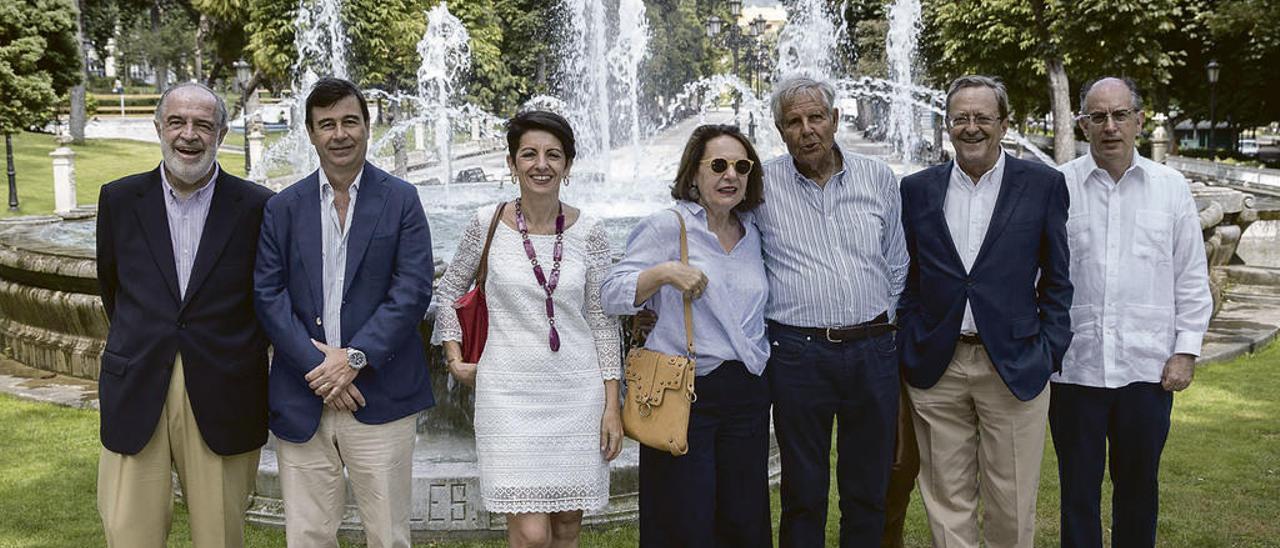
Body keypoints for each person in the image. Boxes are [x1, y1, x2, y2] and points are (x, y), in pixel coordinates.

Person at [253, 77, 434, 548]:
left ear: (367, 128)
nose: (340, 134)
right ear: (311, 134)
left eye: (350, 121)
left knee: (389, 534)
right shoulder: (282, 208)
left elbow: (412, 291)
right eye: (327, 124)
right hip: (303, 394)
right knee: (309, 535)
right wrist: (321, 368)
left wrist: (353, 359)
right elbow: (268, 295)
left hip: (382, 394)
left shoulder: (402, 199)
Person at [897, 75, 1073, 548]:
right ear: (947, 125)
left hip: (1014, 365)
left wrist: (1049, 350)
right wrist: (911, 337)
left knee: (1012, 502)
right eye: (961, 118)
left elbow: (1058, 279)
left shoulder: (1042, 185)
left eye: (982, 118)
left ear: (1004, 124)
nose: (971, 128)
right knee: (945, 500)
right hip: (938, 364)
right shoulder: (916, 190)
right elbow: (908, 276)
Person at [95, 82, 273, 547]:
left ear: (221, 132)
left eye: (201, 124)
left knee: (220, 534)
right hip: (136, 384)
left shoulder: (258, 206)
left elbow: (267, 297)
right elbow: (111, 288)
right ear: (159, 128)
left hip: (223, 387)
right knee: (127, 532)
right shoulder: (118, 200)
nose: (188, 135)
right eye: (177, 122)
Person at [433, 110, 622, 548]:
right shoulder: (486, 224)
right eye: (530, 154)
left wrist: (612, 405)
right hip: (508, 394)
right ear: (511, 163)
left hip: (578, 393)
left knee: (568, 526)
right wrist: (454, 355)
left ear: (568, 166)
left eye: (553, 155)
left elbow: (602, 321)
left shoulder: (591, 232)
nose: (542, 164)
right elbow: (447, 292)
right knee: (533, 534)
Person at [1050, 77, 1212, 548]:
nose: (1109, 126)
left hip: (1147, 370)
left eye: (1120, 115)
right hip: (1075, 370)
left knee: (1139, 488)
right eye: (1097, 117)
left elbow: (1191, 277)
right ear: (1082, 124)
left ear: (1139, 121)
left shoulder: (1171, 189)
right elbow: (1039, 275)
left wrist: (1186, 352)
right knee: (1077, 492)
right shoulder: (1058, 187)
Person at [754, 75, 909, 547]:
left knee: (868, 489)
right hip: (798, 354)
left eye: (815, 117)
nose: (807, 130)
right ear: (781, 131)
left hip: (873, 351)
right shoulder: (761, 187)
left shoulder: (878, 177)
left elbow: (897, 261)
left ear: (835, 119)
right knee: (804, 491)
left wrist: (880, 321)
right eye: (794, 122)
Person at [602, 124, 772, 548]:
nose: (729, 175)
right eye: (717, 165)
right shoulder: (668, 227)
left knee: (744, 519)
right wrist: (664, 273)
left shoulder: (755, 232)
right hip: (683, 390)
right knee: (682, 521)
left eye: (740, 166)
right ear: (694, 173)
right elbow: (611, 293)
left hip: (748, 392)